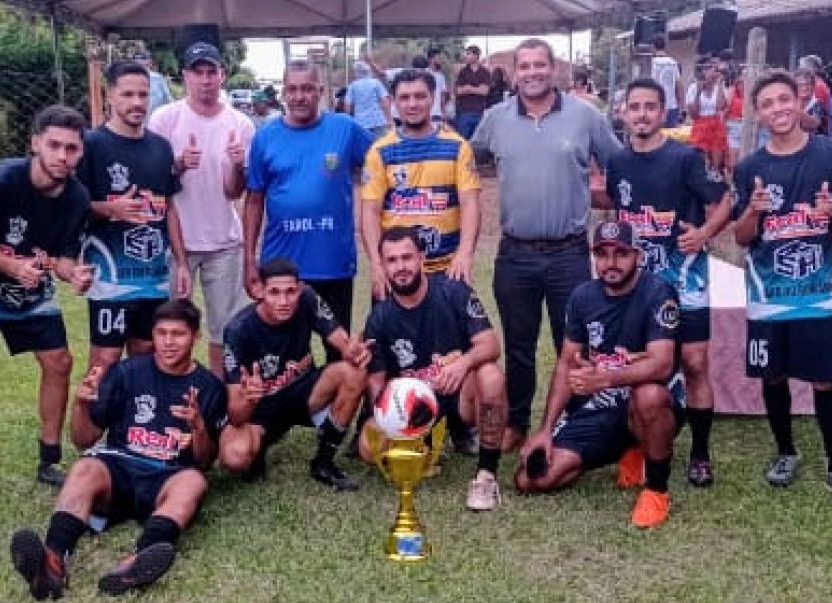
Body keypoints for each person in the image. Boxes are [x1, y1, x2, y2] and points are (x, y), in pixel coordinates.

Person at [8, 299, 226, 599]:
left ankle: (135, 563)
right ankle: (52, 561)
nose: (168, 343)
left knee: (194, 482)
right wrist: (81, 404)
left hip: (167, 476)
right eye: (161, 333)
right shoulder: (127, 372)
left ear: (196, 337)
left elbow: (204, 461)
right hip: (119, 467)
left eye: (178, 334)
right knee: (84, 466)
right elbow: (84, 440)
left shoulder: (210, 387)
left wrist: (199, 427)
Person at [471, 37, 621, 449]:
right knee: (518, 346)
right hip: (515, 254)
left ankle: (573, 423)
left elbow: (619, 165)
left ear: (554, 70)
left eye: (541, 65)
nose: (533, 73)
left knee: (572, 344)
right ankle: (518, 422)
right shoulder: (494, 119)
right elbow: (467, 161)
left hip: (569, 254)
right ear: (514, 73)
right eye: (525, 66)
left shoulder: (585, 117)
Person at [732, 70, 832, 506]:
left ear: (800, 101)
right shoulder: (750, 168)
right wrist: (753, 211)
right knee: (773, 376)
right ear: (758, 112)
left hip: (816, 292)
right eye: (768, 103)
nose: (778, 109)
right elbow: (740, 235)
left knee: (826, 382)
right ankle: (786, 452)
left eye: (784, 99)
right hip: (769, 297)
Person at [0, 105, 93, 500]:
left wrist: (74, 274)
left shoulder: (78, 196)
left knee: (59, 362)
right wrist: (14, 268)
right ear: (35, 144)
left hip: (31, 290)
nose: (62, 156)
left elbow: (62, 259)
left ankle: (49, 457)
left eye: (72, 148)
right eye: (54, 146)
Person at [597, 78, 730, 486]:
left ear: (663, 111)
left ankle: (701, 452)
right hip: (639, 288)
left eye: (650, 107)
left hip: (685, 279)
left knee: (693, 362)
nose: (641, 114)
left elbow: (725, 198)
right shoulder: (617, 162)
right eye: (634, 107)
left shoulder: (686, 158)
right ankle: (638, 445)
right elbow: (618, 218)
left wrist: (705, 234)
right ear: (622, 113)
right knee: (640, 365)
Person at [514, 221, 684, 529]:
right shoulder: (582, 296)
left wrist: (605, 379)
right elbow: (567, 363)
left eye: (621, 253)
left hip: (647, 402)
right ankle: (626, 447)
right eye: (602, 254)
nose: (611, 262)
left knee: (649, 396)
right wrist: (545, 429)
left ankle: (656, 490)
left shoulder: (659, 292)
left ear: (638, 256)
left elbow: (661, 364)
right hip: (601, 405)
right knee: (531, 478)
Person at [359, 227, 508, 510]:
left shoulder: (454, 291)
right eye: (391, 261)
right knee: (369, 448)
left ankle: (486, 474)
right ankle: (425, 445)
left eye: (407, 257)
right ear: (383, 266)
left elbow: (490, 344)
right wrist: (389, 416)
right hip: (415, 406)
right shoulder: (380, 316)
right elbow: (376, 381)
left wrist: (462, 364)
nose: (401, 267)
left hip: (457, 392)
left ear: (422, 257)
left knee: (490, 375)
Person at [243, 59, 373, 358]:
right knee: (285, 358)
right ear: (283, 93)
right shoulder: (265, 137)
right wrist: (249, 260)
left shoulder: (346, 129)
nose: (299, 96)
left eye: (307, 89)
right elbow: (253, 201)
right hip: (282, 270)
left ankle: (335, 407)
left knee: (338, 354)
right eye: (292, 89)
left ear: (321, 91)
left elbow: (384, 160)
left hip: (333, 263)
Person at [148, 42, 255, 380]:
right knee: (170, 325)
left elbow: (234, 191)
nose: (206, 80)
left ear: (223, 75)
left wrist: (238, 165)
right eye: (198, 72)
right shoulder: (165, 119)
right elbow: (154, 183)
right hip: (175, 240)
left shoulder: (240, 124)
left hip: (223, 239)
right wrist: (178, 165)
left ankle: (219, 399)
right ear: (185, 76)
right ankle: (168, 393)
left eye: (212, 72)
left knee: (224, 329)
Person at [218, 258, 370, 490]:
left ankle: (324, 462)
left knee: (354, 373)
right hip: (260, 409)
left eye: (290, 292)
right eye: (274, 292)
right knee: (234, 457)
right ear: (259, 291)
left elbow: (340, 339)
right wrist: (250, 397)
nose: (284, 301)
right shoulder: (237, 331)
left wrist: (351, 350)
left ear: (300, 288)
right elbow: (235, 415)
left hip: (303, 394)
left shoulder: (308, 298)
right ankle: (260, 446)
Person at [79, 60, 188, 374]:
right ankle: (90, 424)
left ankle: (130, 424)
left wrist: (181, 262)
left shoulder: (161, 147)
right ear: (109, 95)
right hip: (111, 277)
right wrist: (108, 209)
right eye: (128, 94)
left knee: (145, 355)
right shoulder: (91, 145)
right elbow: (72, 207)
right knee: (105, 361)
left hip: (153, 278)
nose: (137, 102)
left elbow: (169, 208)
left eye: (143, 94)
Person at [360, 68, 480, 297]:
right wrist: (377, 264)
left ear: (432, 98)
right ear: (394, 102)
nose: (412, 104)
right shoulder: (380, 151)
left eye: (420, 96)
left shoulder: (457, 146)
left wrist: (465, 253)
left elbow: (470, 204)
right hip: (397, 273)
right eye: (404, 98)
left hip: (448, 270)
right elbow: (370, 213)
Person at [685, 57, 728, 176]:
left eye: (713, 69)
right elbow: (694, 115)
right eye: (708, 69)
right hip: (700, 123)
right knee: (700, 156)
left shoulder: (719, 87)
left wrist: (719, 85)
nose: (711, 72)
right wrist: (698, 92)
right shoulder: (693, 88)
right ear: (703, 72)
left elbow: (721, 106)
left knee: (717, 151)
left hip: (716, 122)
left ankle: (715, 172)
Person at [344, 60, 393, 138]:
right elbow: (384, 101)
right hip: (378, 121)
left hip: (361, 123)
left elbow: (347, 105)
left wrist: (348, 123)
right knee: (381, 147)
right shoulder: (376, 83)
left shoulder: (353, 86)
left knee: (365, 148)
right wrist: (389, 119)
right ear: (368, 71)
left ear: (356, 72)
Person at [453, 45, 492, 139]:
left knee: (478, 143)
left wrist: (468, 88)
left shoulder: (485, 72)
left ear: (476, 55)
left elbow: (485, 91)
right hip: (463, 112)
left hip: (479, 112)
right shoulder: (462, 72)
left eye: (468, 54)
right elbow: (458, 91)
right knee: (463, 141)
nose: (466, 56)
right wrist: (477, 88)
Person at [649, 37, 683, 128]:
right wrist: (680, 107)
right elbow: (679, 86)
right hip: (672, 106)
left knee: (656, 137)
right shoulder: (673, 63)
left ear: (653, 47)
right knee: (670, 138)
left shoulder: (652, 63)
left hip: (656, 106)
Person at [134, 49, 174, 118]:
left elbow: (169, 102)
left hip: (156, 123)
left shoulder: (158, 79)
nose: (141, 65)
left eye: (144, 61)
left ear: (150, 63)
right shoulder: (127, 80)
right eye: (138, 63)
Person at [794, 68, 828, 134]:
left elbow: (815, 124)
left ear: (813, 86)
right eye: (800, 85)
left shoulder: (818, 105)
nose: (804, 88)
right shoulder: (792, 103)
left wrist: (796, 109)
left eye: (807, 84)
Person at [426, 46, 451, 123]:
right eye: (438, 58)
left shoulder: (441, 76)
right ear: (431, 59)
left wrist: (443, 114)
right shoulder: (423, 74)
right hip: (425, 115)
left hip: (437, 115)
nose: (440, 60)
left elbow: (442, 97)